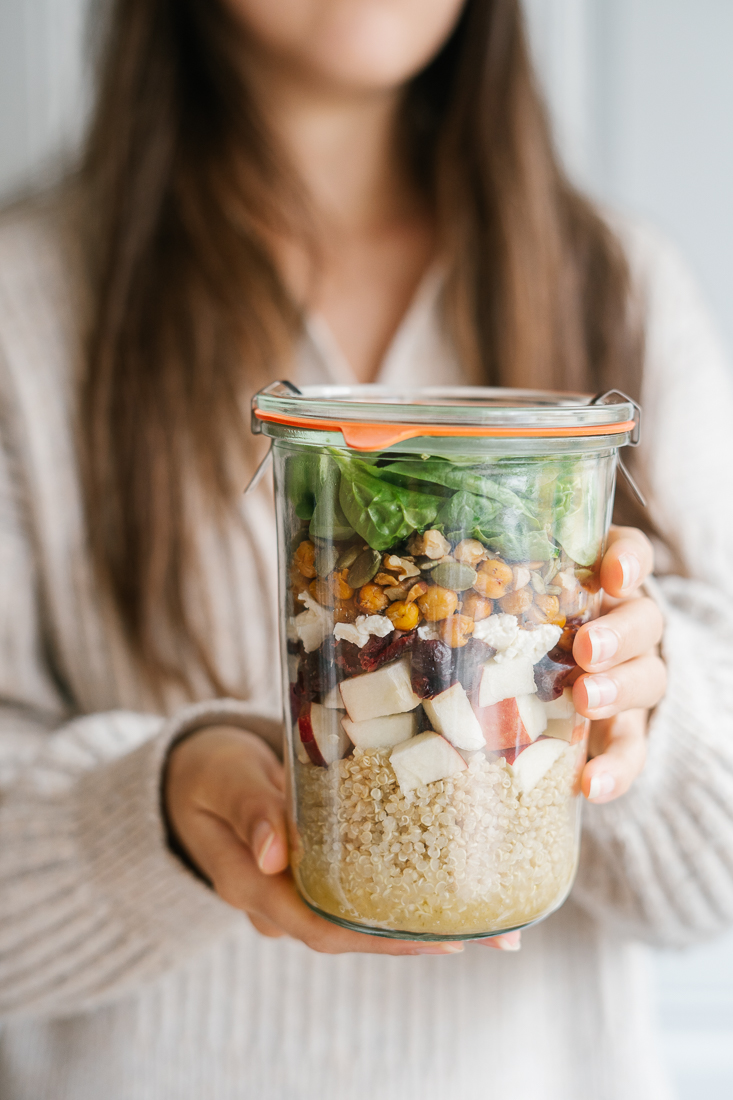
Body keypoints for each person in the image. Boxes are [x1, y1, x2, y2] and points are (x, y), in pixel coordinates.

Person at [0, 0, 732, 1097]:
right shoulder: (27, 310)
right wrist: (152, 807)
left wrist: (644, 713)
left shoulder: (612, 285)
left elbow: (713, 880)